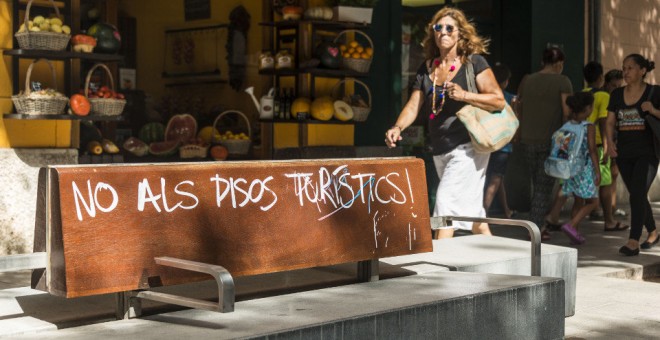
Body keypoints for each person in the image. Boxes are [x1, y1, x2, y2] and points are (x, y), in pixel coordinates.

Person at [385, 7, 505, 238]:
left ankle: (440, 266)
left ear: (460, 33)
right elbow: (413, 105)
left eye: (450, 28)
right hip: (441, 149)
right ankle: (498, 261)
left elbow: (498, 100)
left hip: (468, 148)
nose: (444, 32)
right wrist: (397, 127)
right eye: (438, 28)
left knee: (445, 205)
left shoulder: (474, 63)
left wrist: (464, 95)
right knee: (474, 216)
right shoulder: (428, 68)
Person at [545, 62, 629, 232]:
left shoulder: (580, 94)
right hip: (594, 146)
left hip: (573, 155)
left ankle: (569, 223)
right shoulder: (604, 97)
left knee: (574, 193)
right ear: (600, 78)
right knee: (605, 184)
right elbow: (605, 124)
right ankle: (609, 220)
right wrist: (607, 147)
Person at [605, 54, 660, 256]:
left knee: (636, 193)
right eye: (624, 68)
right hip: (624, 153)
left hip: (648, 153)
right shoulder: (617, 94)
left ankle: (633, 240)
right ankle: (653, 232)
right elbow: (610, 122)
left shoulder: (654, 92)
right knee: (638, 195)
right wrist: (610, 142)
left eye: (630, 68)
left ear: (642, 70)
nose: (625, 72)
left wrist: (653, 110)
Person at [516, 46, 573, 240]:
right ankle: (535, 228)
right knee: (544, 187)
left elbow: (518, 106)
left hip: (527, 139)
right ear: (559, 64)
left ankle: (536, 224)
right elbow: (567, 113)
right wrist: (567, 144)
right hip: (553, 142)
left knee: (537, 183)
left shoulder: (528, 80)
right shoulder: (563, 81)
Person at [544, 92, 601, 245]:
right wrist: (597, 170)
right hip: (584, 170)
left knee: (579, 200)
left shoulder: (567, 124)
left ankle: (574, 233)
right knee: (594, 202)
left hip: (570, 170)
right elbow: (592, 149)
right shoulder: (589, 126)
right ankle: (571, 225)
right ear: (588, 108)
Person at [483, 62, 515, 218]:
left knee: (496, 177)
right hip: (504, 144)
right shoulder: (510, 98)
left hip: (487, 142)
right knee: (495, 178)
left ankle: (506, 209)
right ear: (505, 82)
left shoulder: (484, 97)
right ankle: (483, 212)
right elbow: (515, 120)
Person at [602, 69, 627, 218]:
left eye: (619, 86)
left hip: (617, 139)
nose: (616, 89)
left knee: (614, 174)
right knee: (606, 175)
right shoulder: (605, 97)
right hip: (606, 140)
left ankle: (612, 206)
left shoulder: (621, 98)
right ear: (606, 84)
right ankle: (604, 209)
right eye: (613, 86)